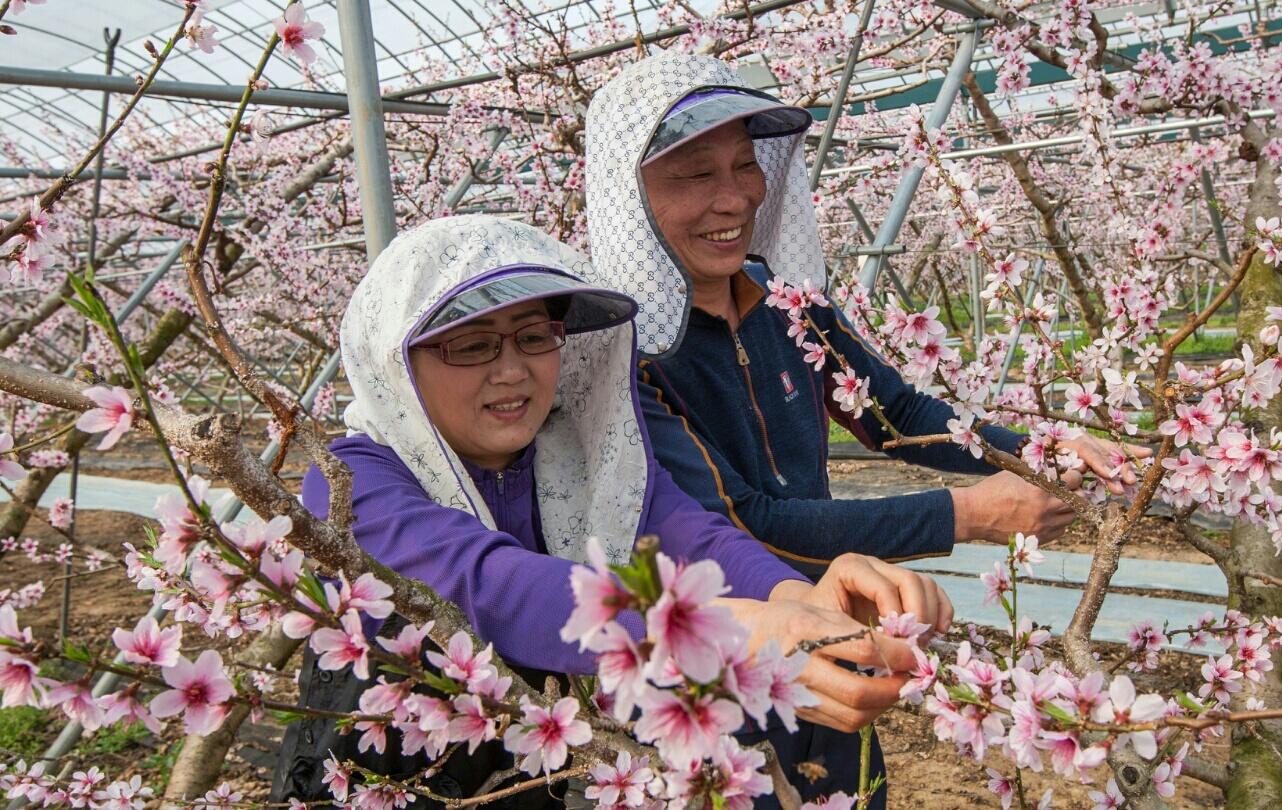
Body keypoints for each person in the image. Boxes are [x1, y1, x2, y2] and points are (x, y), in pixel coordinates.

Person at [268, 215, 947, 808]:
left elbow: (692, 535)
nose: (512, 370)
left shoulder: (579, 459)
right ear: (398, 362)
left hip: (534, 768)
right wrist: (730, 630)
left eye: (535, 337)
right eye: (472, 344)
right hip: (385, 771)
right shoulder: (353, 479)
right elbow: (492, 584)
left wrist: (802, 602)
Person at [583, 53, 1148, 579]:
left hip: (832, 597)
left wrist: (1038, 450)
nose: (735, 198)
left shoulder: (786, 302)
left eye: (745, 166)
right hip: (717, 642)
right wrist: (970, 513)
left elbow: (894, 414)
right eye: (695, 175)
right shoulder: (624, 357)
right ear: (628, 194)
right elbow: (747, 523)